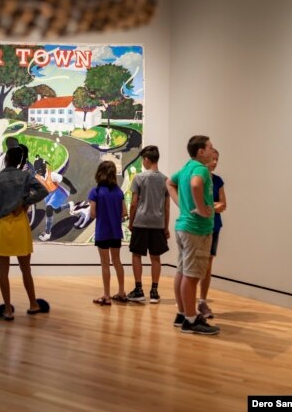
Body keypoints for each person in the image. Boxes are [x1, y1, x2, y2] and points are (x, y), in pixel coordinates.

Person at [0, 145, 49, 321]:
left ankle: (8, 310)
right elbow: (44, 190)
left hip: (2, 227)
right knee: (26, 270)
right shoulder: (25, 176)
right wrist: (24, 201)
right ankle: (33, 304)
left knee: (3, 272)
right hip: (21, 224)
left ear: (5, 160)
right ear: (21, 161)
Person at [166, 135, 219, 335]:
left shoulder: (187, 167)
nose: (213, 152)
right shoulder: (200, 169)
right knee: (191, 275)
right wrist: (199, 208)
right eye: (210, 148)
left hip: (184, 227)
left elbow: (169, 183)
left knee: (182, 271)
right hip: (197, 229)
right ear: (201, 152)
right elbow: (196, 185)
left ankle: (182, 314)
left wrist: (182, 205)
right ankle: (190, 319)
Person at [127, 146, 170, 304]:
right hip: (158, 223)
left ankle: (138, 289)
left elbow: (133, 204)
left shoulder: (139, 178)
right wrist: (165, 227)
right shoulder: (165, 180)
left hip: (141, 222)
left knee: (136, 255)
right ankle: (154, 291)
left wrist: (131, 223)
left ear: (146, 159)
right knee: (155, 257)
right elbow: (166, 207)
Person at [90, 160, 127, 305]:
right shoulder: (119, 192)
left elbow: (93, 213)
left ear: (100, 173)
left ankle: (106, 295)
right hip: (115, 231)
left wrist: (102, 213)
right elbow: (124, 212)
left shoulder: (96, 191)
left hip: (102, 231)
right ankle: (122, 292)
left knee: (105, 263)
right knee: (117, 261)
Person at [198, 148, 226, 318]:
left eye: (217, 159)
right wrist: (212, 206)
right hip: (198, 227)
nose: (214, 162)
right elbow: (196, 202)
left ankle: (202, 301)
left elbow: (223, 205)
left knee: (207, 267)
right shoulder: (198, 178)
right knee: (195, 266)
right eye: (212, 159)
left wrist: (208, 207)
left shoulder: (218, 181)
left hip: (214, 227)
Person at [37, 161, 77, 241]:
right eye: (37, 170)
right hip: (49, 194)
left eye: (40, 169)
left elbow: (63, 179)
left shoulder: (52, 175)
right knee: (56, 210)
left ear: (44, 167)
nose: (39, 172)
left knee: (49, 208)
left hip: (58, 193)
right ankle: (69, 205)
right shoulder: (38, 176)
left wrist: (72, 188)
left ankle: (47, 232)